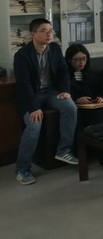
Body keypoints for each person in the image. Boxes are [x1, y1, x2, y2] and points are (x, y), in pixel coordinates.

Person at [14, 18, 78, 185]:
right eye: (44, 31)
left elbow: (63, 71)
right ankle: (22, 168)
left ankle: (64, 150)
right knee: (34, 124)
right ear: (33, 34)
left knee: (70, 107)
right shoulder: (22, 55)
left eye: (51, 31)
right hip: (31, 96)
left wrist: (65, 90)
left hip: (50, 92)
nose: (49, 34)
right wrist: (34, 107)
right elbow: (23, 84)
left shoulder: (54, 48)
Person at [65, 43, 103, 170]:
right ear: (69, 60)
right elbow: (62, 94)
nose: (81, 63)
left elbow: (99, 90)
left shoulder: (90, 75)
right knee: (98, 117)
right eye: (77, 60)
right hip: (77, 109)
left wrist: (100, 97)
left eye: (84, 59)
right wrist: (77, 99)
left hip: (93, 106)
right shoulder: (65, 76)